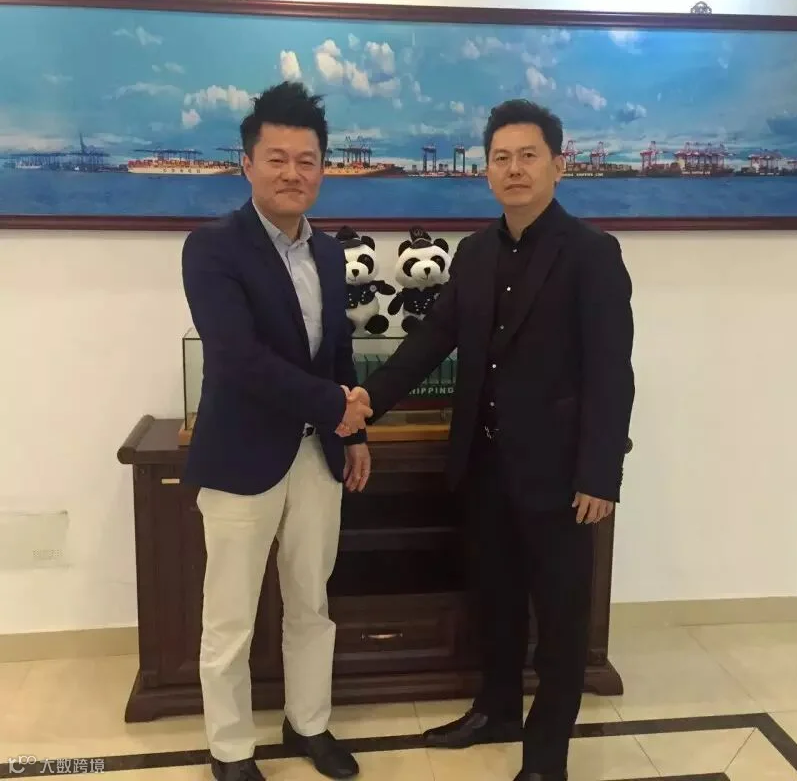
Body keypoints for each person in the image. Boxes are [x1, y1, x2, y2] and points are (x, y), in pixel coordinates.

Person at [341, 99, 634, 781]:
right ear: (486, 170)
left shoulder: (593, 254)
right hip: (483, 465)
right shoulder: (472, 254)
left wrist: (600, 474)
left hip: (561, 476)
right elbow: (428, 343)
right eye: (501, 157)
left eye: (528, 155)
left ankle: (546, 758)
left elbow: (611, 373)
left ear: (558, 165)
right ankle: (496, 710)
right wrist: (366, 403)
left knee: (560, 620)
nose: (514, 169)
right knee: (494, 602)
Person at [181, 81, 373, 781]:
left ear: (323, 168)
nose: (293, 173)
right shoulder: (211, 248)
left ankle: (308, 724)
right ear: (248, 163)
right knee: (230, 618)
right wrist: (336, 404)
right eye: (277, 158)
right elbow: (237, 358)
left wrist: (352, 433)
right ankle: (231, 751)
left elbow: (338, 351)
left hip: (317, 457)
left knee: (311, 603)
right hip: (240, 458)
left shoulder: (329, 254)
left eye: (307, 160)